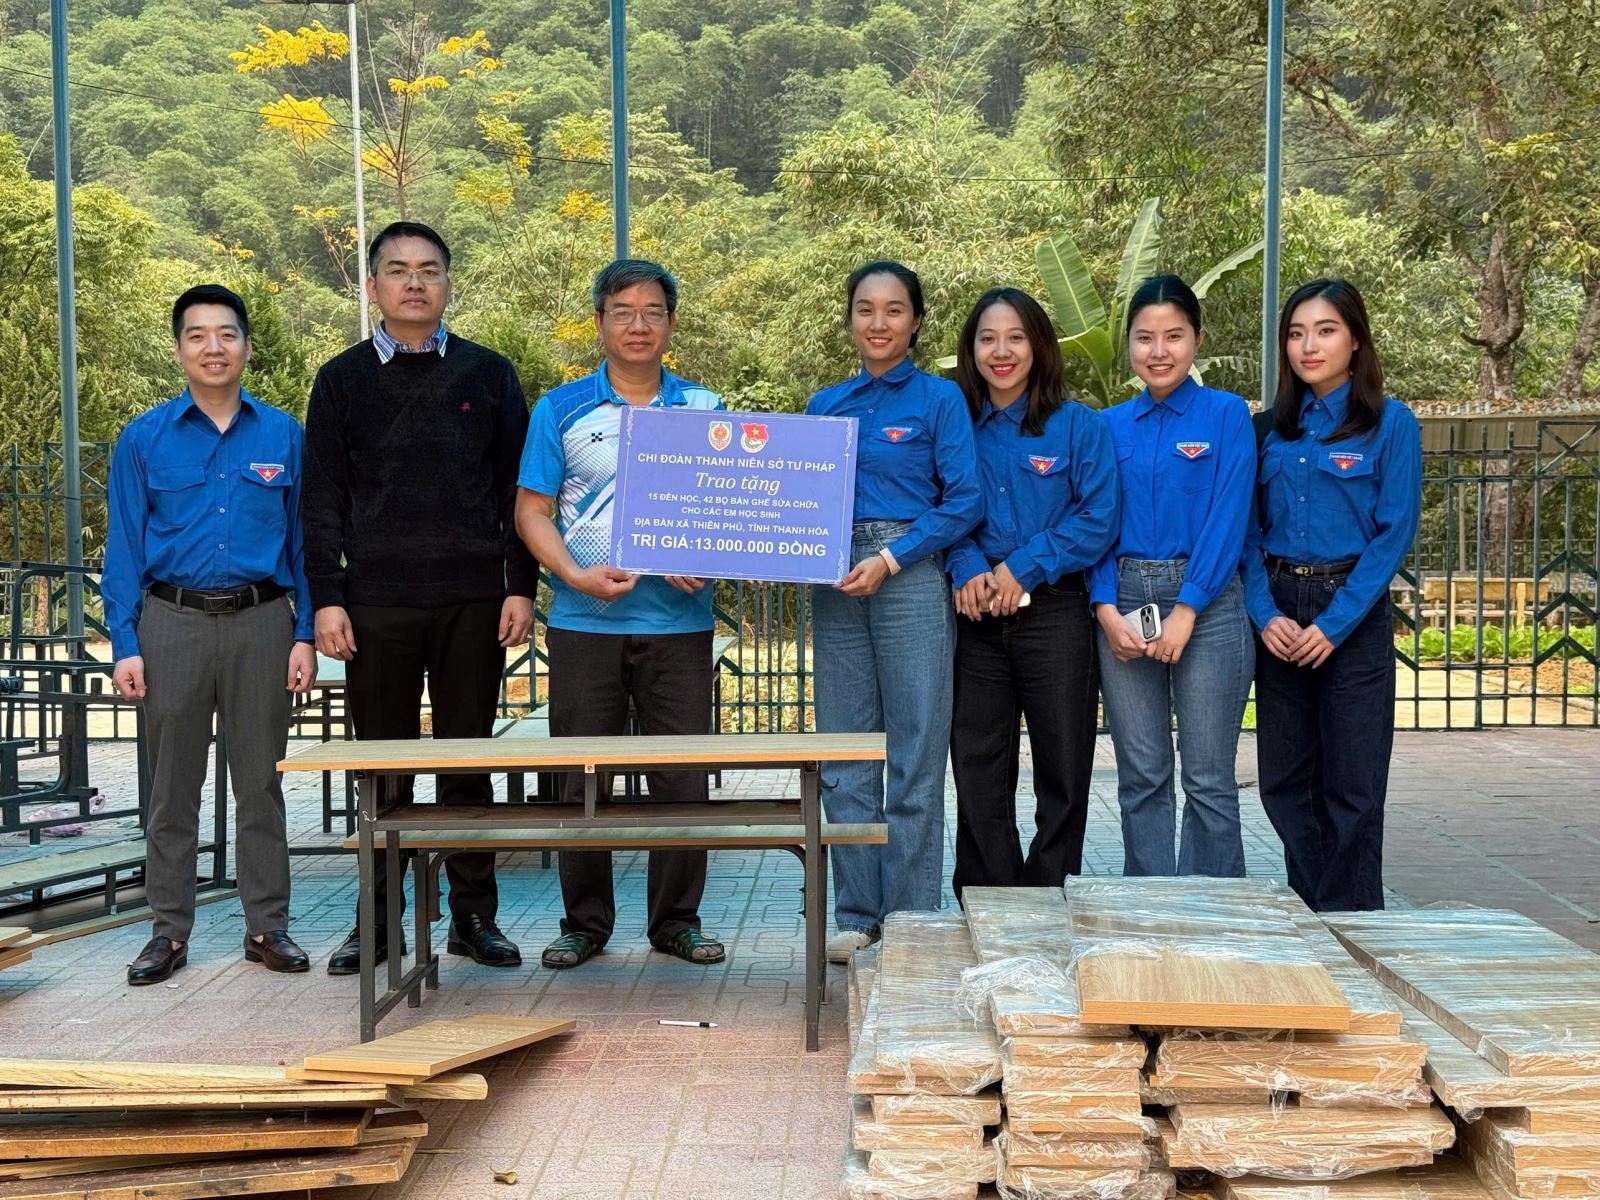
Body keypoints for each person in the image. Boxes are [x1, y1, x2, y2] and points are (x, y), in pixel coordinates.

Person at [302, 221, 537, 974]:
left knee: (468, 760)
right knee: (383, 766)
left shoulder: (489, 374)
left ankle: (474, 917)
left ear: (447, 284)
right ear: (373, 285)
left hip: (474, 599)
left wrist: (520, 587)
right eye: (398, 269)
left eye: (429, 270)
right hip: (375, 604)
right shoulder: (340, 380)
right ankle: (378, 922)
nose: (414, 282)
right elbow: (321, 500)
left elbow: (518, 493)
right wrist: (327, 598)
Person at [514, 259, 727, 970]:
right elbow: (532, 511)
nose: (639, 325)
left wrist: (710, 556)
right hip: (584, 623)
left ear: (672, 321)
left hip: (680, 624)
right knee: (581, 778)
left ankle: (677, 923)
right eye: (623, 311)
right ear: (600, 321)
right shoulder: (561, 409)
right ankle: (585, 924)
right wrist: (574, 576)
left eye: (653, 311)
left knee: (682, 781)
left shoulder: (706, 409)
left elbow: (734, 508)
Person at [104, 284, 317, 984]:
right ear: (179, 350)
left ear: (247, 347)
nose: (213, 347)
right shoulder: (144, 438)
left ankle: (267, 926)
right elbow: (123, 546)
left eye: (227, 333)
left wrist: (304, 633)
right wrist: (125, 643)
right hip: (171, 624)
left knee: (261, 784)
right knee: (172, 790)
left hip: (262, 623)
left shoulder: (283, 435)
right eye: (197, 335)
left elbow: (306, 543)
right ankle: (167, 932)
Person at [807, 261, 982, 962]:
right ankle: (857, 917)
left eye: (894, 310)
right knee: (846, 753)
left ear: (916, 321)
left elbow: (965, 500)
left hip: (908, 575)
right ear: (850, 318)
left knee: (914, 753)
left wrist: (892, 557)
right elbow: (794, 497)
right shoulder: (825, 405)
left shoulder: (941, 400)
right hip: (835, 581)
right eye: (865, 309)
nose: (878, 323)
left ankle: (911, 920)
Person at [1243, 279, 1421, 912]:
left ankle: (1352, 925)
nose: (1308, 346)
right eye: (1296, 333)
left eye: (1325, 331)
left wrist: (1335, 624)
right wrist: (1265, 614)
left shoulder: (1390, 424)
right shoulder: (1268, 431)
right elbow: (1247, 533)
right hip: (1281, 611)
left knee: (1353, 785)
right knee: (1283, 781)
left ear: (1355, 341)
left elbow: (1393, 533)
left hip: (1351, 611)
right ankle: (1313, 912)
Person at [945, 288, 1121, 893]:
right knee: (977, 766)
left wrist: (1023, 566)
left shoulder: (1078, 425)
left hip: (1055, 612)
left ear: (1039, 346)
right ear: (971, 350)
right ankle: (991, 900)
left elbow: (1098, 518)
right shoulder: (956, 428)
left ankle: (1050, 898)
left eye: (1015, 338)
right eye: (988, 339)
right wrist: (968, 564)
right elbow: (941, 507)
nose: (1001, 352)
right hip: (974, 616)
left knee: (1064, 765)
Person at [1089, 274, 1255, 877]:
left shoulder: (1227, 415)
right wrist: (1105, 608)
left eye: (1174, 336)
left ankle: (1212, 913)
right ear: (1129, 344)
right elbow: (1094, 523)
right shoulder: (1106, 427)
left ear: (1197, 340)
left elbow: (1229, 518)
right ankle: (1149, 908)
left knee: (1208, 777)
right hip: (1125, 600)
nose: (1158, 351)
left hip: (1207, 605)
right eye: (1144, 338)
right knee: (1142, 775)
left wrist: (1188, 607)